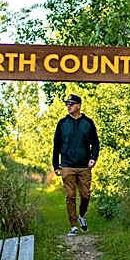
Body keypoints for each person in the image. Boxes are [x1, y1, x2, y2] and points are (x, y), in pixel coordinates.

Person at [52, 94, 99, 235]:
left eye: (71, 104)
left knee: (85, 196)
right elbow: (56, 146)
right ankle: (73, 226)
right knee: (70, 196)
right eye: (67, 104)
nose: (68, 106)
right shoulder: (62, 123)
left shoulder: (88, 123)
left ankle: (81, 216)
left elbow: (95, 143)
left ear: (79, 105)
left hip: (84, 166)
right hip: (67, 166)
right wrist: (56, 165)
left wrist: (93, 158)